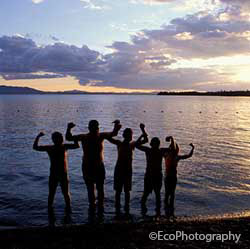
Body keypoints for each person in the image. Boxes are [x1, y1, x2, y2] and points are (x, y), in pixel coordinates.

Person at [66, 120, 122, 214]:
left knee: (98, 188)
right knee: (93, 188)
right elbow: (69, 138)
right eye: (94, 128)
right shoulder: (86, 137)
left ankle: (98, 207)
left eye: (96, 128)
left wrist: (116, 126)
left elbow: (113, 133)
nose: (95, 129)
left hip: (96, 166)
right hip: (89, 166)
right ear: (90, 128)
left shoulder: (99, 136)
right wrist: (68, 128)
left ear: (97, 128)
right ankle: (94, 206)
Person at [33, 131, 79, 213]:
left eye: (61, 138)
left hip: (60, 174)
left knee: (63, 194)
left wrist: (73, 136)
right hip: (56, 174)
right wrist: (38, 136)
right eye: (60, 138)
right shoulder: (53, 148)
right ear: (54, 140)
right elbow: (35, 147)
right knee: (54, 194)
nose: (62, 139)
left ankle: (66, 210)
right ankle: (55, 211)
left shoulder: (63, 147)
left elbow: (77, 145)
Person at [107, 123, 148, 215]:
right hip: (119, 169)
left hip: (127, 170)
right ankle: (118, 208)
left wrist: (142, 129)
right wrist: (116, 129)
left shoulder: (132, 144)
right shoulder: (120, 143)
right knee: (118, 191)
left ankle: (126, 208)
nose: (131, 136)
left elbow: (146, 140)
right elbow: (108, 138)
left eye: (131, 135)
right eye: (129, 135)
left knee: (126, 191)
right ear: (125, 135)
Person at [136, 128, 176, 216]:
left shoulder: (150, 150)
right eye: (155, 143)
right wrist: (171, 139)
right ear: (156, 144)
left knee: (148, 194)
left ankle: (145, 213)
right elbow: (172, 149)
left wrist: (142, 134)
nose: (155, 145)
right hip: (154, 175)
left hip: (152, 175)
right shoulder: (158, 151)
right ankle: (156, 213)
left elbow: (137, 145)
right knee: (154, 194)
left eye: (155, 143)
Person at [164, 139, 194, 216]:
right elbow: (188, 155)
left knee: (168, 193)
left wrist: (192, 148)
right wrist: (192, 148)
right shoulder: (169, 155)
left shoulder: (170, 156)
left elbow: (188, 155)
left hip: (170, 177)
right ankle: (170, 210)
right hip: (170, 177)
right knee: (170, 193)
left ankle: (167, 209)